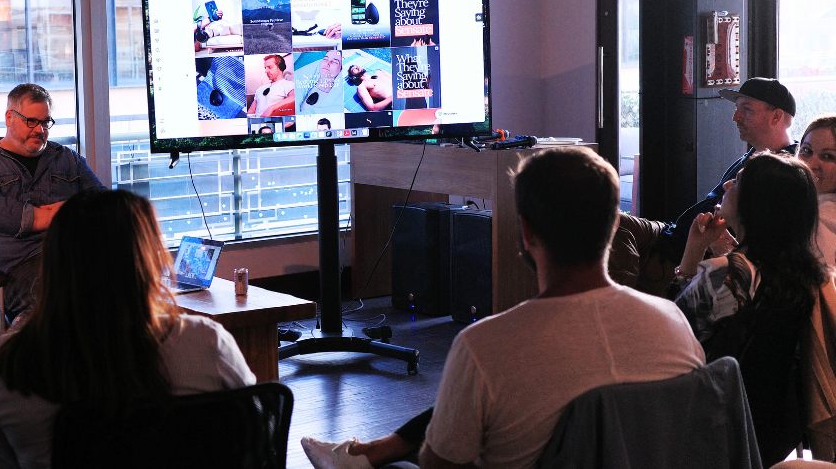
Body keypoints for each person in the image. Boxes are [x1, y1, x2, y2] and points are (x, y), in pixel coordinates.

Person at [301, 148, 704, 469]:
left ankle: (360, 458)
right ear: (616, 224)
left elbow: (441, 464)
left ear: (526, 230)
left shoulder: (485, 345)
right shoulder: (674, 324)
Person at [0, 189, 256, 469]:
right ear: (149, 261)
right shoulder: (208, 343)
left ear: (52, 262)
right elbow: (256, 434)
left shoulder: (7, 366)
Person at [669, 153, 828, 464]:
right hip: (769, 433)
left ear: (757, 204)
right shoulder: (809, 276)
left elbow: (666, 337)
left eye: (739, 181)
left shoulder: (729, 276)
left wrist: (691, 257)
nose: (727, 185)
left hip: (707, 428)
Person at [610, 77, 798, 294]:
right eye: (737, 109)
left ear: (776, 116)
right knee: (607, 220)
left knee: (613, 239)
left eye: (746, 109)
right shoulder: (752, 155)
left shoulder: (779, 173)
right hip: (674, 232)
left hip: (688, 252)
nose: (735, 117)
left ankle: (621, 300)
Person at [0, 83, 103, 318]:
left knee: (123, 278)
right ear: (9, 117)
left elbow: (102, 204)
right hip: (17, 271)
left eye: (45, 122)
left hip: (73, 256)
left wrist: (67, 212)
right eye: (31, 121)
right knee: (71, 292)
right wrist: (58, 216)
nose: (40, 130)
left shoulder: (67, 158)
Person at [800, 113, 836, 265]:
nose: (811, 164)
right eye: (807, 150)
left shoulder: (821, 220)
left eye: (827, 156)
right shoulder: (805, 207)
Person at [299, 50, 345, 114]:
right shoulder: (303, 84)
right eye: (325, 59)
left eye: (335, 62)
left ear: (341, 69)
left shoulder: (338, 100)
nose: (327, 63)